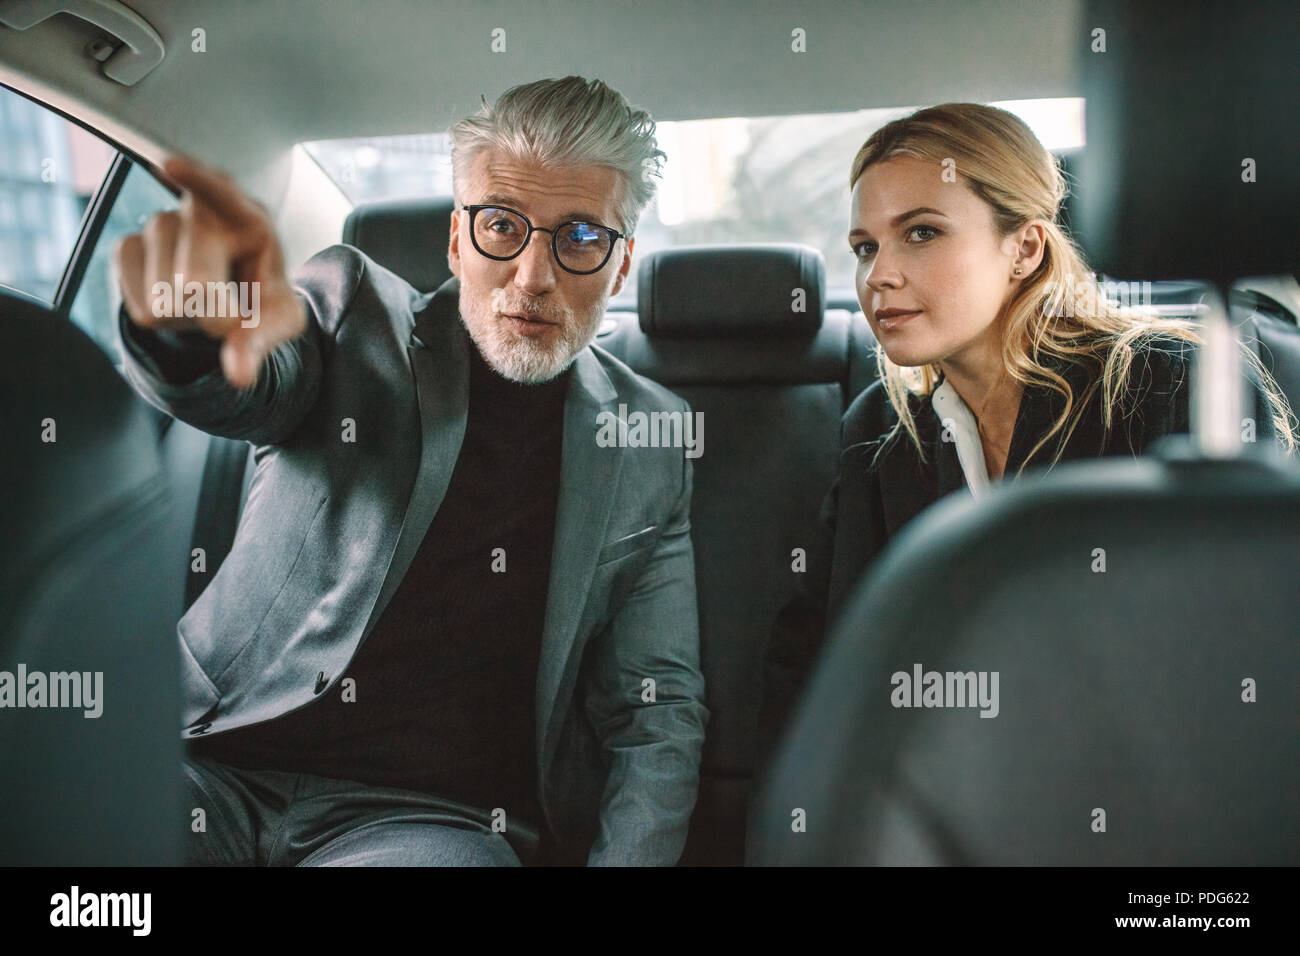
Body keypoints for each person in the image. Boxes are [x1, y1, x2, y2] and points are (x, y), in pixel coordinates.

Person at [114, 76, 708, 867]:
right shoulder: (354, 311)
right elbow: (253, 384)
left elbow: (656, 707)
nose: (533, 276)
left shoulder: (650, 438)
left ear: (621, 263)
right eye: (503, 225)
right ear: (458, 241)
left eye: (579, 238)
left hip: (426, 824)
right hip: (210, 764)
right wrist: (190, 324)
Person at [754, 102, 1298, 777]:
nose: (877, 276)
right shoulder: (880, 433)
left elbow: (1241, 647)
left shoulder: (1164, 385)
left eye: (921, 233)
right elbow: (821, 653)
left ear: (1026, 248)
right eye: (864, 247)